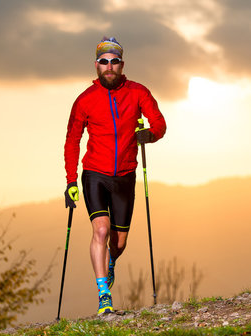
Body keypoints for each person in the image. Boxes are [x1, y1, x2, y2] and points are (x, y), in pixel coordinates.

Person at [64, 36, 166, 315]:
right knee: (100, 229)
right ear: (96, 65)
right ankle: (104, 296)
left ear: (122, 64)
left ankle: (110, 264)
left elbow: (159, 123)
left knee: (118, 243)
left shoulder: (138, 92)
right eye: (103, 61)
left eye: (114, 61)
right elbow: (72, 140)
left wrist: (150, 134)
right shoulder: (84, 100)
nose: (109, 66)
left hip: (125, 175)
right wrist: (71, 180)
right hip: (94, 174)